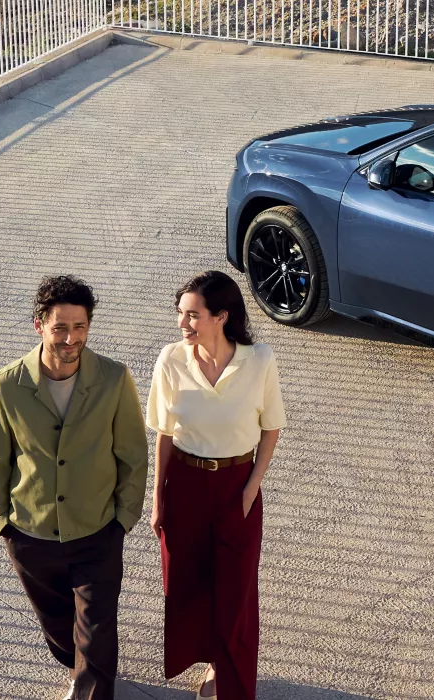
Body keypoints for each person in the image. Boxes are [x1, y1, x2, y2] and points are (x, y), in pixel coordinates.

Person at [0, 275, 148, 700]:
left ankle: (91, 683)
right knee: (57, 624)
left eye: (80, 327)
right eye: (61, 328)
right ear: (39, 325)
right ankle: (79, 668)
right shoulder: (6, 385)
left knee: (95, 630)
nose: (71, 338)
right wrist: (3, 522)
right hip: (31, 534)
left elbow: (132, 452)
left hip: (97, 530)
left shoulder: (113, 378)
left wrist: (124, 517)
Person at [148, 270, 286, 700]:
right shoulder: (171, 359)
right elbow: (165, 434)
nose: (182, 323)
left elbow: (271, 429)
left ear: (221, 316)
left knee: (236, 593)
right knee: (187, 582)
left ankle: (231, 685)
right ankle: (210, 660)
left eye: (193, 315)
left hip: (235, 486)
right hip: (185, 485)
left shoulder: (258, 359)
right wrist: (158, 498)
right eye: (180, 314)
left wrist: (249, 490)